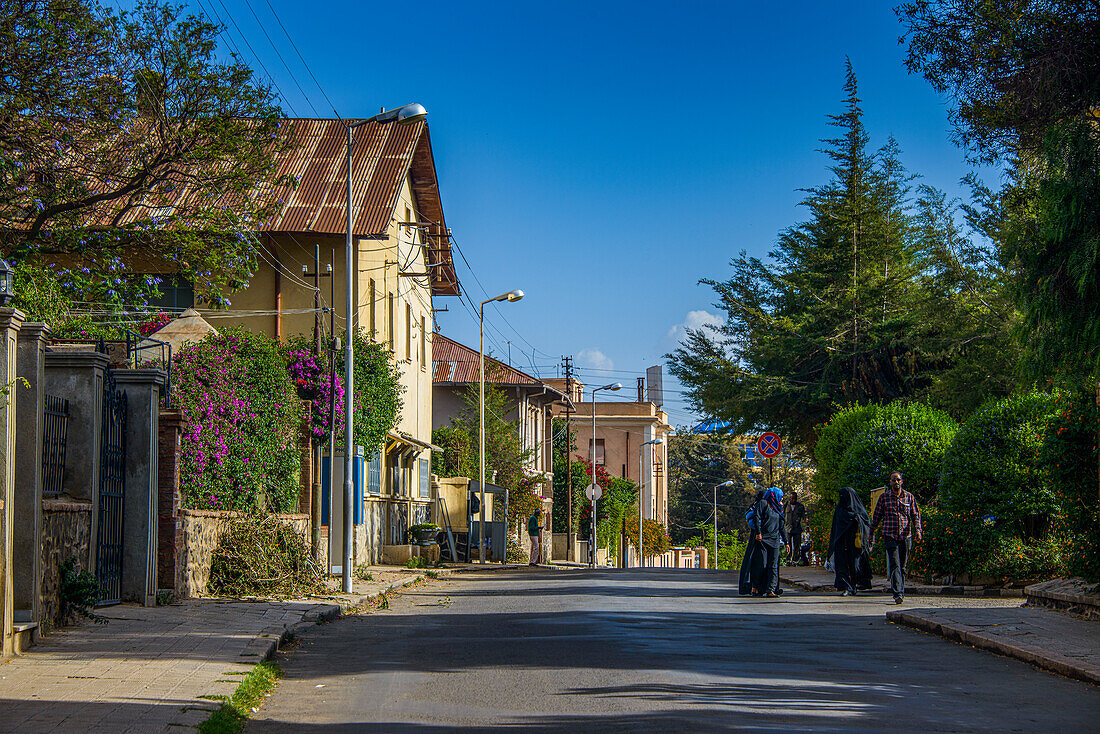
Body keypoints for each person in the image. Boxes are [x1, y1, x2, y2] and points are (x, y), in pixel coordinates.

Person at [870, 470, 923, 604]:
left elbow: (915, 515)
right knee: (895, 564)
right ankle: (897, 593)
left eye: (898, 480)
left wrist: (918, 530)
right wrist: (871, 533)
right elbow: (876, 517)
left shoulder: (909, 497)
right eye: (894, 480)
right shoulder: (884, 498)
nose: (896, 482)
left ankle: (901, 590)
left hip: (906, 536)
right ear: (890, 482)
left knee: (903, 566)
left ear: (902, 481)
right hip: (890, 535)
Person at [826, 487, 872, 595]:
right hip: (841, 542)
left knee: (855, 564)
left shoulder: (859, 510)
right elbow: (836, 528)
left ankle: (854, 585)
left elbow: (865, 522)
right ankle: (845, 586)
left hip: (855, 543)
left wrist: (856, 520)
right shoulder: (839, 509)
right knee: (842, 564)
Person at [752, 487, 791, 598]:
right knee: (762, 564)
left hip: (775, 540)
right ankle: (757, 588)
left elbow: (782, 526)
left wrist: (786, 542)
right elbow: (756, 516)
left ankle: (771, 590)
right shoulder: (763, 503)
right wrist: (758, 532)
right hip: (763, 539)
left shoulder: (779, 507)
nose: (781, 498)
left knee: (773, 566)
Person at [738, 491, 766, 595]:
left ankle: (757, 587)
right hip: (757, 538)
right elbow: (753, 521)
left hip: (759, 538)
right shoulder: (757, 507)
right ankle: (753, 587)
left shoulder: (758, 506)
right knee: (756, 562)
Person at [786, 490, 807, 565]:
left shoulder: (800, 506)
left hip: (797, 528)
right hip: (788, 528)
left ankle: (795, 560)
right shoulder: (786, 505)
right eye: (791, 498)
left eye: (794, 498)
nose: (793, 500)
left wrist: (806, 526)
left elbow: (804, 517)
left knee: (797, 545)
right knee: (788, 544)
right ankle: (788, 560)